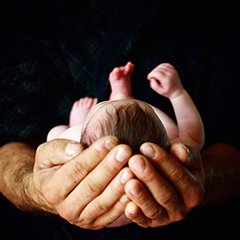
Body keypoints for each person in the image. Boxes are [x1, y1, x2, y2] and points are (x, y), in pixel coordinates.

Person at [1, 1, 240, 239]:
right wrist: (178, 94)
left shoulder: (79, 144)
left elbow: (55, 138)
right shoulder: (174, 147)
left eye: (112, 98)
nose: (118, 96)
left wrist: (74, 124)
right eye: (125, 96)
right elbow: (194, 134)